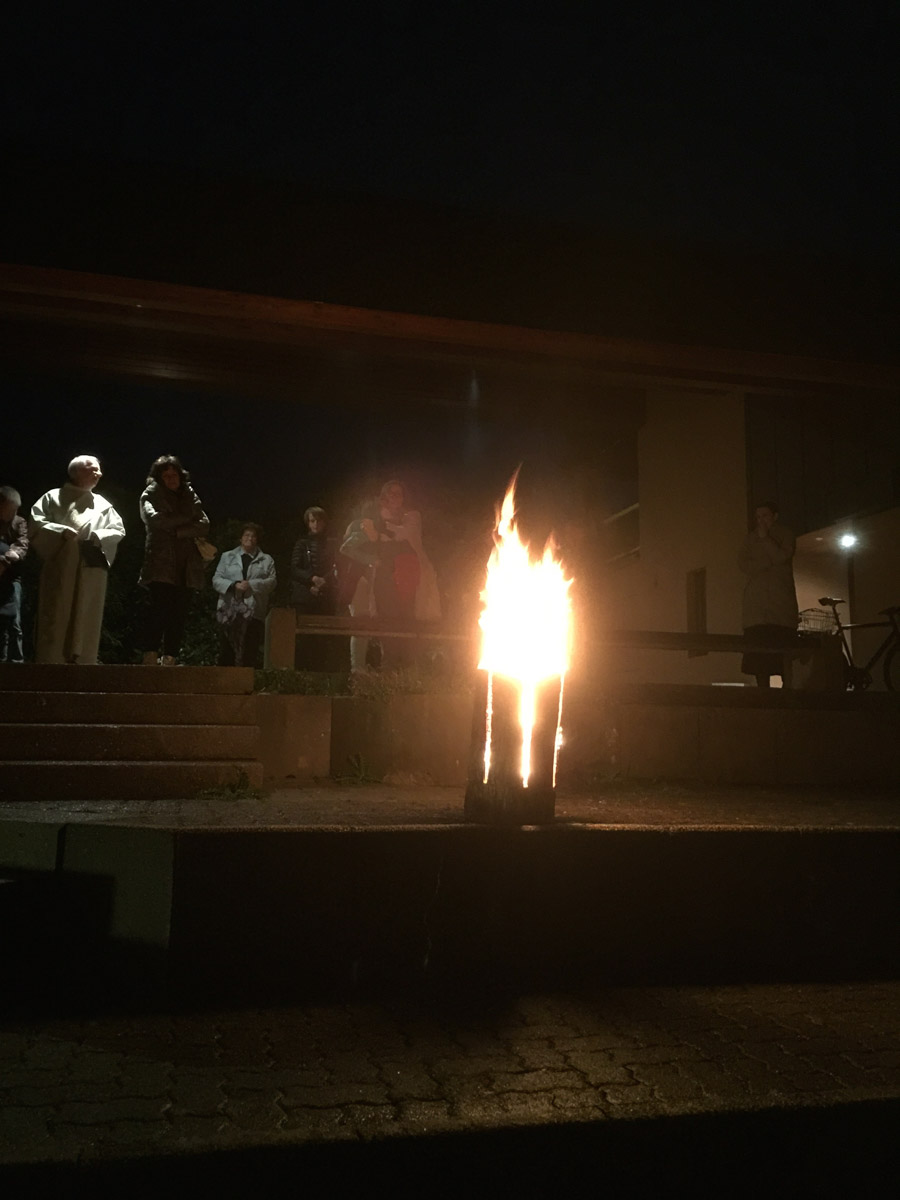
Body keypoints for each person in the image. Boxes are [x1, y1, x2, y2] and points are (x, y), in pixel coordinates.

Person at [29, 455, 126, 665]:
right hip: (61, 565)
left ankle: (85, 659)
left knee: (87, 611)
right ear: (76, 472)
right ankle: (51, 659)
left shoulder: (103, 505)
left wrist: (99, 536)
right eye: (93, 469)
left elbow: (118, 530)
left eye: (99, 470)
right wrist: (60, 532)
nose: (99, 474)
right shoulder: (52, 497)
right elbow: (36, 525)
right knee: (57, 611)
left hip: (90, 568)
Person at [137, 455, 211, 665]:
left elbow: (204, 524)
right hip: (160, 562)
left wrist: (178, 531)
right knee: (158, 610)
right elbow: (155, 520)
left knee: (179, 614)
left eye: (174, 475)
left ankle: (170, 656)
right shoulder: (150, 494)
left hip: (187, 564)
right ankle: (150, 654)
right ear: (159, 478)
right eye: (166, 476)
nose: (171, 479)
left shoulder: (190, 494)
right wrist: (187, 520)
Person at [738, 500, 799, 688]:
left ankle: (786, 696)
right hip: (756, 612)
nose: (761, 520)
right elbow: (743, 564)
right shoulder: (750, 539)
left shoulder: (786, 535)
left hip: (780, 610)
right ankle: (763, 695)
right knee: (759, 661)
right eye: (758, 517)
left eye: (764, 516)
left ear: (775, 516)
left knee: (784, 658)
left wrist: (765, 540)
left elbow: (782, 556)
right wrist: (767, 562)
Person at [212, 523, 276, 667]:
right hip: (229, 612)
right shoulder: (227, 556)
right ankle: (224, 680)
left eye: (253, 536)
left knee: (249, 652)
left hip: (254, 611)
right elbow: (216, 580)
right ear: (240, 538)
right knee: (226, 652)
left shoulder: (267, 560)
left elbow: (272, 582)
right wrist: (233, 585)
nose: (250, 538)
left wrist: (251, 585)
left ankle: (246, 680)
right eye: (247, 535)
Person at [290, 506, 336, 670]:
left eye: (318, 520)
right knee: (303, 638)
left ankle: (322, 674)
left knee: (324, 638)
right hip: (305, 598)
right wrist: (312, 579)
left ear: (324, 522)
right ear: (308, 523)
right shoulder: (302, 544)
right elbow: (294, 568)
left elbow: (337, 566)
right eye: (312, 521)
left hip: (326, 596)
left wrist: (325, 581)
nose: (315, 524)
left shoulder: (332, 544)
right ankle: (302, 673)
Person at [0, 486, 29, 663]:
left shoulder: (18, 522)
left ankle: (17, 661)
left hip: (11, 578)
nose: (13, 513)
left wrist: (9, 558)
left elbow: (22, 544)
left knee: (14, 621)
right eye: (10, 509)